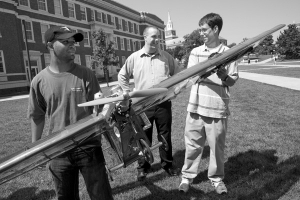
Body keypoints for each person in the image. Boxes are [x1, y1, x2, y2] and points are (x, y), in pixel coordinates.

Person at [27, 26, 113, 200]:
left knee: (101, 196)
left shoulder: (86, 74)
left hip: (88, 146)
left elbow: (99, 110)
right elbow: (37, 116)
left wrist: (109, 106)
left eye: (73, 42)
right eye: (66, 42)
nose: (72, 45)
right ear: (50, 45)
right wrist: (36, 150)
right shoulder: (39, 81)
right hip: (58, 151)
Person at [178, 13, 239, 195]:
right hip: (195, 107)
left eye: (204, 29)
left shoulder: (229, 54)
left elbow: (232, 81)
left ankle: (217, 179)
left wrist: (223, 77)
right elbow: (191, 77)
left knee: (216, 148)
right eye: (200, 29)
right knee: (192, 146)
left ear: (215, 29)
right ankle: (187, 178)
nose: (201, 33)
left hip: (217, 109)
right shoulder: (195, 52)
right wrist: (209, 75)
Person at [118, 26, 180, 181]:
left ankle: (167, 164)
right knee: (143, 137)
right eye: (153, 36)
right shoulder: (134, 58)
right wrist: (128, 94)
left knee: (164, 134)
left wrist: (174, 91)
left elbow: (178, 74)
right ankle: (143, 167)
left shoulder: (166, 57)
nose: (156, 39)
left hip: (163, 104)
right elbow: (122, 75)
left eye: (158, 37)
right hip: (142, 107)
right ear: (144, 37)